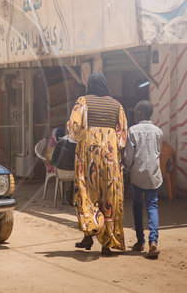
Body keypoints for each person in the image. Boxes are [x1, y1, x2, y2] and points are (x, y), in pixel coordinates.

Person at [67, 72, 127, 256]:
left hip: (88, 159)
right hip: (110, 160)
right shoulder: (117, 105)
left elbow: (74, 127)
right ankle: (106, 244)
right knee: (109, 197)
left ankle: (89, 232)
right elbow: (122, 136)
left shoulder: (83, 102)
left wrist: (81, 139)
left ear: (90, 85)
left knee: (85, 194)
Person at [125, 100, 162, 259]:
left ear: (139, 113)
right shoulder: (158, 131)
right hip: (153, 174)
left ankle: (140, 241)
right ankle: (153, 241)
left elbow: (128, 156)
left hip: (137, 175)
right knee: (152, 206)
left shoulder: (132, 131)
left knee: (138, 207)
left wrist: (126, 168)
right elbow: (158, 151)